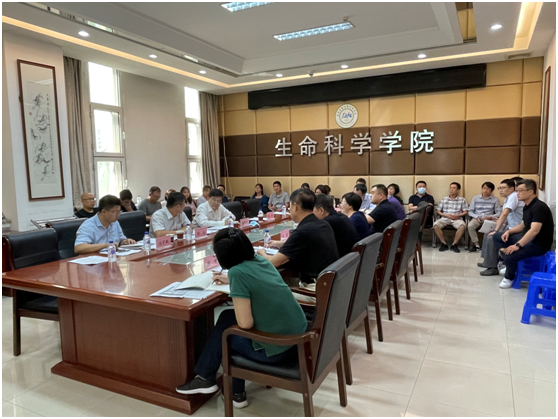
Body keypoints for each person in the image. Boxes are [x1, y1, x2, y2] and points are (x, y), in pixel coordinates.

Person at [176, 228, 307, 409]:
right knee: (226, 317)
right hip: (298, 338)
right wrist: (231, 279)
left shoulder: (237, 273)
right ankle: (206, 378)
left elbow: (245, 324)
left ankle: (232, 391)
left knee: (227, 335)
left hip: (278, 348)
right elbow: (255, 280)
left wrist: (234, 278)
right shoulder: (261, 260)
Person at [257, 188, 338, 285]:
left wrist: (261, 252)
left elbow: (272, 262)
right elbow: (306, 242)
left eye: (290, 206)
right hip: (331, 283)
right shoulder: (323, 224)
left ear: (295, 207)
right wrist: (281, 244)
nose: (289, 209)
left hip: (315, 287)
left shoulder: (302, 231)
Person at [490, 179, 554, 289]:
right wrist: (508, 231)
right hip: (527, 238)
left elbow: (534, 231)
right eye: (517, 191)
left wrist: (517, 245)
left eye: (520, 190)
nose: (517, 193)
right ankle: (509, 264)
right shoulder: (527, 206)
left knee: (510, 253)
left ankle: (509, 277)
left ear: (530, 192)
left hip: (538, 243)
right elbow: (523, 225)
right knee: (497, 236)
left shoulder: (539, 207)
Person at [479, 179, 525, 275]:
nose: (500, 190)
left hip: (517, 230)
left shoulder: (513, 196)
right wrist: (499, 220)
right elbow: (510, 216)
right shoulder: (508, 198)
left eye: (503, 188)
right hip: (510, 226)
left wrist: (496, 230)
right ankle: (487, 260)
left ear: (512, 189)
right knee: (488, 232)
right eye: (499, 188)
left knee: (492, 237)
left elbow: (505, 213)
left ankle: (492, 267)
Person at [467, 182, 502, 252]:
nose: (485, 190)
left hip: (489, 219)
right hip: (477, 218)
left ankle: (487, 246)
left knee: (491, 228)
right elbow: (470, 211)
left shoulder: (495, 200)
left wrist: (491, 217)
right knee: (470, 226)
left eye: (488, 189)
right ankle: (476, 245)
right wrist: (477, 217)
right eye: (484, 188)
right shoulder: (475, 198)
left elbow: (499, 212)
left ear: (491, 191)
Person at [433, 182, 468, 253]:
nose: (451, 189)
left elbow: (465, 211)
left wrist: (457, 215)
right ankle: (444, 243)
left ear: (458, 190)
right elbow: (438, 210)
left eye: (454, 188)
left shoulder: (462, 200)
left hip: (457, 218)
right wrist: (446, 215)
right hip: (445, 218)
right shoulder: (444, 199)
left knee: (462, 226)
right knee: (436, 225)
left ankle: (454, 244)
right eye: (450, 188)